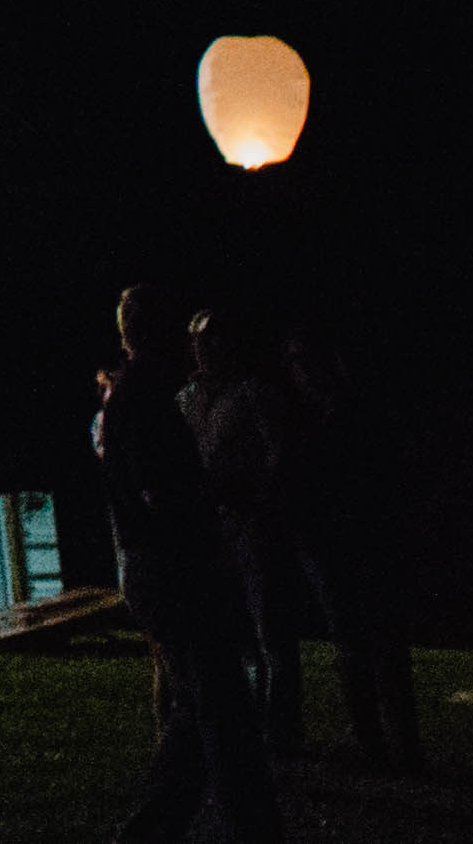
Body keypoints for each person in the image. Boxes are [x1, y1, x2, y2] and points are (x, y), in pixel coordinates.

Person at [94, 288, 276, 844]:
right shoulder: (146, 397)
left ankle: (155, 827)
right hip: (175, 570)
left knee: (197, 712)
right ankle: (249, 827)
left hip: (157, 570)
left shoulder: (133, 395)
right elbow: (160, 492)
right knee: (223, 710)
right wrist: (212, 503)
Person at [281, 326, 424, 775]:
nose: (299, 372)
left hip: (355, 540)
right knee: (359, 647)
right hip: (337, 544)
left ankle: (392, 746)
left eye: (303, 362)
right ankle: (380, 746)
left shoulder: (338, 414)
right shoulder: (313, 416)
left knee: (373, 647)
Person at [182, 311, 306, 752]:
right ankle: (249, 725)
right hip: (211, 531)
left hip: (254, 526)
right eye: (199, 340)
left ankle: (282, 730)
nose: (207, 349)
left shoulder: (253, 393)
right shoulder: (188, 399)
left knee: (271, 630)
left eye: (215, 340)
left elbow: (281, 452)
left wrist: (258, 497)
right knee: (234, 635)